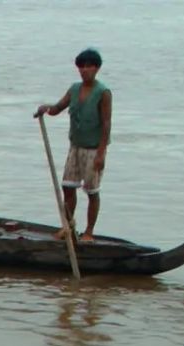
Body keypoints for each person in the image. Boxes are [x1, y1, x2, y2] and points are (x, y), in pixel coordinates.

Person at [33, 48, 112, 241]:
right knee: (67, 187)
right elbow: (58, 108)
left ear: (97, 68)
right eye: (81, 67)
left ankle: (89, 232)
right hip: (75, 147)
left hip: (93, 149)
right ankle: (68, 227)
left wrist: (101, 154)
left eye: (88, 66)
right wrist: (46, 109)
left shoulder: (103, 92)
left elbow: (106, 124)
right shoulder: (75, 89)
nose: (84, 70)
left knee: (92, 192)